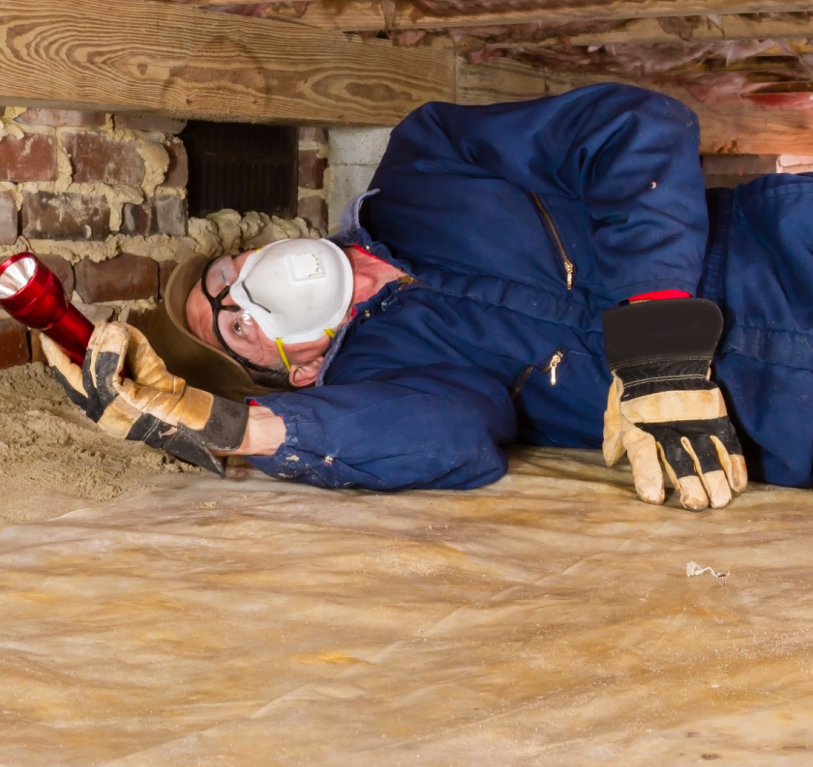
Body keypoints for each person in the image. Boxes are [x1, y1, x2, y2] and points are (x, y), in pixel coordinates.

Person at [44, 83, 813, 512]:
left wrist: (657, 343)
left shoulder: (425, 160)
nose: (245, 294)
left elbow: (633, 128)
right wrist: (231, 425)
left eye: (224, 279)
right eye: (238, 327)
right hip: (776, 418)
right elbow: (448, 443)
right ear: (300, 370)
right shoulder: (385, 379)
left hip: (785, 252)